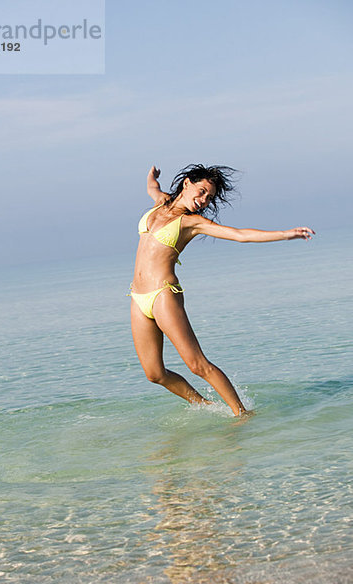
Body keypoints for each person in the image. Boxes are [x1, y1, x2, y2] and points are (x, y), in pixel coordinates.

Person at [129, 164, 315, 416]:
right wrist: (151, 177)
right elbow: (153, 188)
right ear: (187, 183)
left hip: (163, 295)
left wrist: (285, 234)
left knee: (197, 364)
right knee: (154, 374)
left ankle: (241, 413)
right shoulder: (160, 203)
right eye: (202, 191)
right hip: (137, 296)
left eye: (209, 197)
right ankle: (205, 406)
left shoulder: (192, 222)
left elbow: (240, 235)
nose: (204, 200)